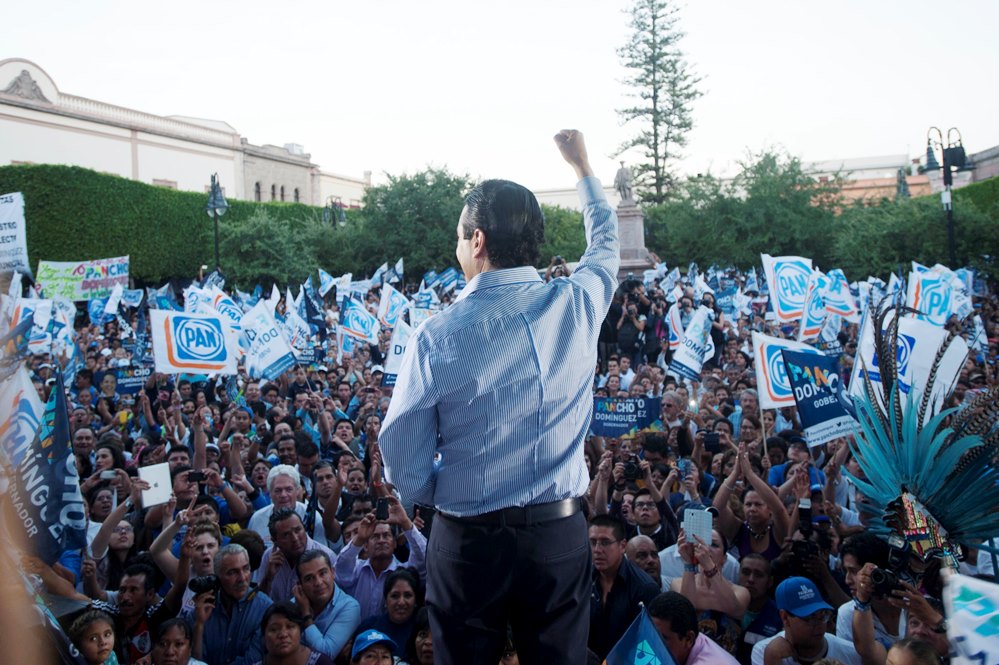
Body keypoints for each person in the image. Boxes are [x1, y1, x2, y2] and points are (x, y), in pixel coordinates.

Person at [380, 130, 617, 665]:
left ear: (479, 241)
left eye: (460, 238)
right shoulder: (579, 304)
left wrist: (437, 499)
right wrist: (581, 168)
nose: (456, 248)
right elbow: (605, 244)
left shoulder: (437, 335)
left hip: (467, 541)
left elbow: (404, 454)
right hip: (558, 535)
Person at [334, 498, 426, 620]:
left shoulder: (404, 573)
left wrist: (405, 523)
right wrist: (359, 539)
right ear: (365, 546)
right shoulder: (356, 570)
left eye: (386, 535)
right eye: (375, 536)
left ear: (394, 543)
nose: (381, 540)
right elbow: (341, 568)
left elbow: (423, 557)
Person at [588, 515, 660, 660]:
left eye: (605, 542)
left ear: (622, 546)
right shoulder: (583, 580)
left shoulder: (644, 588)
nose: (597, 549)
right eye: (593, 542)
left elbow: (650, 647)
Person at [188, 544, 273, 665]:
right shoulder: (203, 608)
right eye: (232, 572)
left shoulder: (265, 609)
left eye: (246, 568)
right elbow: (195, 661)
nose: (242, 578)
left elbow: (253, 661)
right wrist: (199, 625)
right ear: (217, 578)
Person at [751, 577, 861, 665]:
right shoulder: (764, 652)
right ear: (785, 617)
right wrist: (772, 661)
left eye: (822, 616)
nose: (819, 625)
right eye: (809, 618)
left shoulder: (851, 652)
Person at [291, 549, 361, 660]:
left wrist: (306, 615)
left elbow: (325, 655)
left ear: (333, 572)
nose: (318, 582)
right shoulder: (292, 605)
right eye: (309, 578)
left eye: (323, 573)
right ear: (300, 584)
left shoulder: (349, 607)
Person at [259, 509, 336, 603]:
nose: (295, 538)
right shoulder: (269, 557)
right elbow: (259, 601)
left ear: (304, 528)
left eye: (298, 530)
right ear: (275, 541)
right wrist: (269, 577)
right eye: (286, 535)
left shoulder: (327, 556)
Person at [648, 592, 740, 665]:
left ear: (688, 639)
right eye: (651, 634)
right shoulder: (693, 641)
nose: (652, 644)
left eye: (661, 639)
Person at [354, 568, 421, 652]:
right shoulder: (369, 627)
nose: (401, 602)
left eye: (407, 595)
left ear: (415, 600)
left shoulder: (422, 632)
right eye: (395, 596)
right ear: (385, 600)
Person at [253, 602, 336, 665]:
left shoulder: (321, 663)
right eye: (274, 629)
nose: (283, 634)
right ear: (264, 636)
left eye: (290, 626)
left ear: (300, 631)